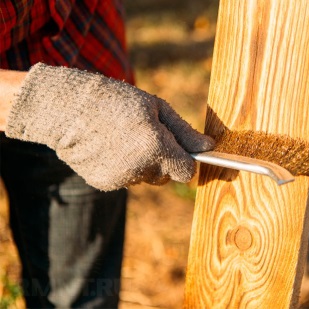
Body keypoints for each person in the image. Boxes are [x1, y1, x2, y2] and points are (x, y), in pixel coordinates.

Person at [0, 1, 214, 307]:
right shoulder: (67, 107)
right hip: (76, 104)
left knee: (83, 296)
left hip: (85, 62)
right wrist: (45, 103)